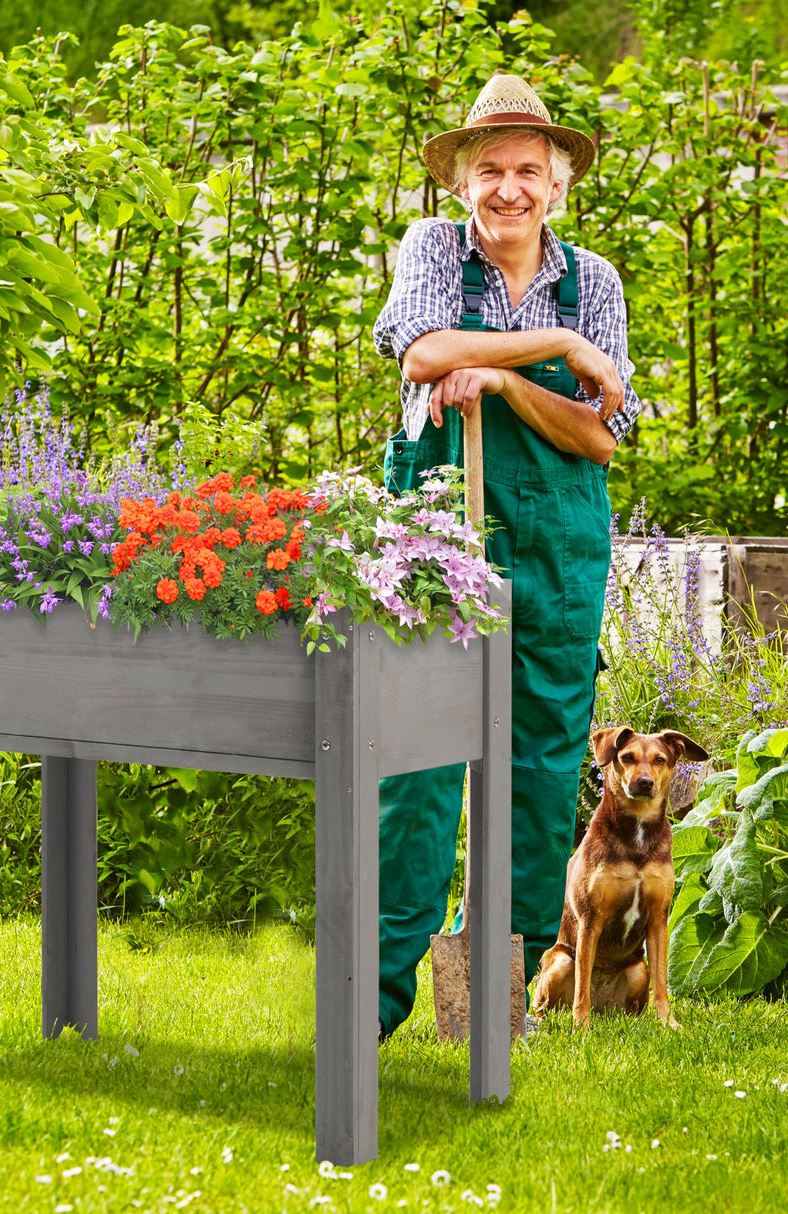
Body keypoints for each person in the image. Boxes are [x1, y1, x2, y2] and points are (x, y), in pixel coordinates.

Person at [371, 73, 642, 1038]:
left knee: (535, 764)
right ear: (462, 182)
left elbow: (599, 434)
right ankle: (374, 997)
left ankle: (500, 991)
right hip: (443, 524)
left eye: (529, 168)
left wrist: (497, 373)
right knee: (417, 754)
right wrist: (557, 345)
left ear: (557, 184)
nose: (510, 188)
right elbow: (418, 352)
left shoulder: (596, 277)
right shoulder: (434, 249)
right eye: (491, 169)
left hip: (558, 541)